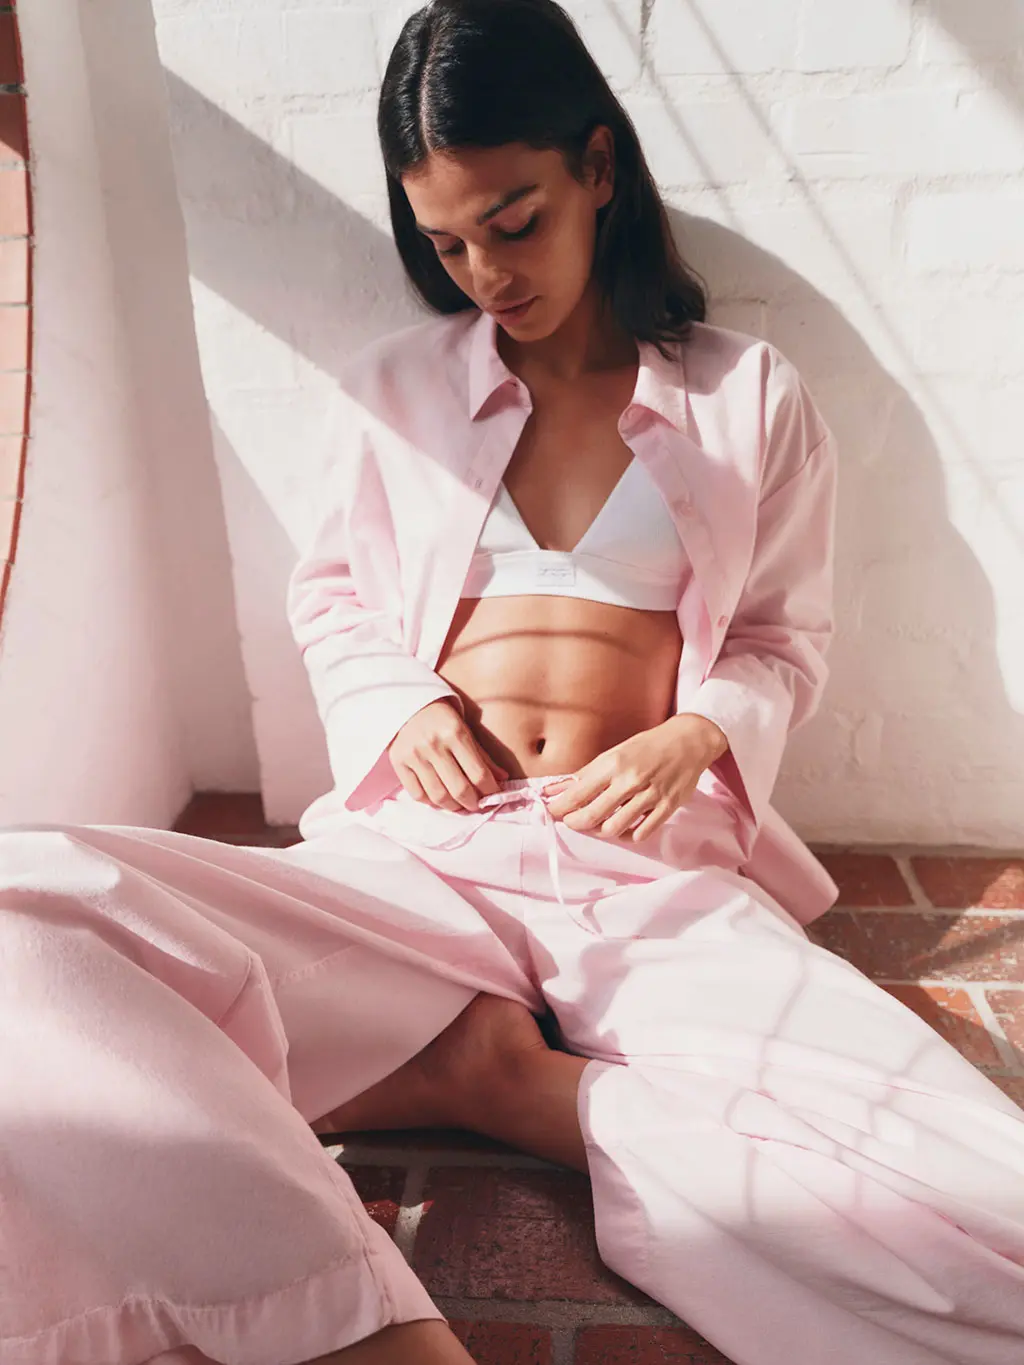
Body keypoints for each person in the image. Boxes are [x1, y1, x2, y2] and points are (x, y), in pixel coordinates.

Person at [4, 2, 1024, 1363]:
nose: (486, 270)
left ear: (599, 166)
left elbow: (784, 635)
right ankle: (358, 1322)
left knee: (956, 1182)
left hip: (642, 864)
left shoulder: (745, 395)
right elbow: (335, 599)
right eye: (447, 243)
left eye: (515, 219)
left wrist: (693, 736)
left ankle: (502, 1084)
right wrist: (404, 708)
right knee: (30, 914)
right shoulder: (392, 389)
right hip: (424, 856)